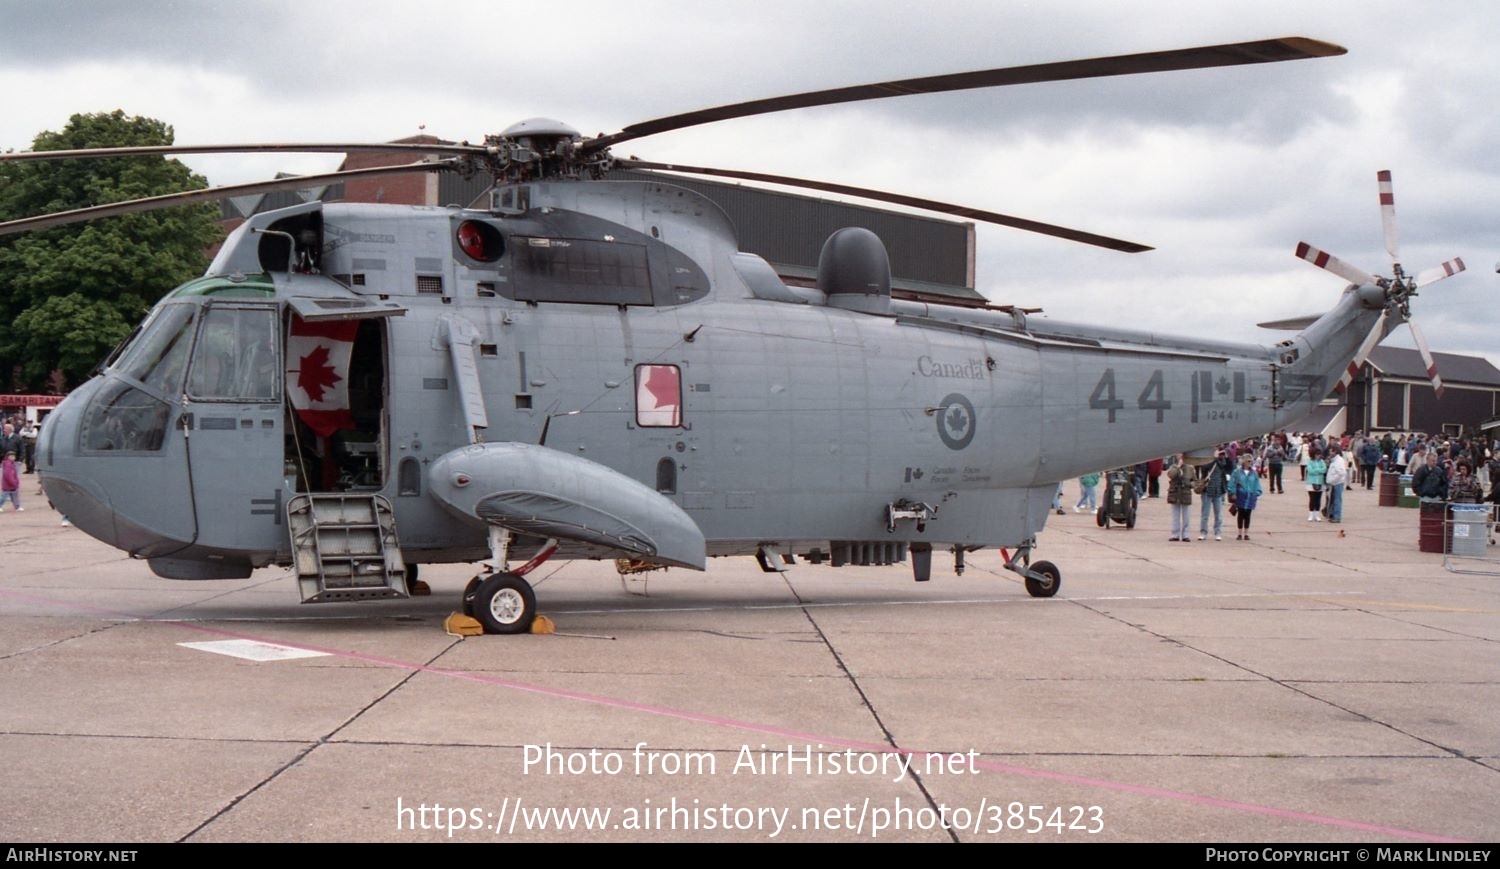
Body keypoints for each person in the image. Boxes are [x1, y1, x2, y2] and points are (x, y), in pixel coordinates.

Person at [1226, 453, 1263, 540]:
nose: (1250, 463)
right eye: (1248, 461)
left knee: (1248, 515)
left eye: (1251, 461)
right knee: (1241, 514)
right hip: (1240, 496)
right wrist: (1233, 492)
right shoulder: (1237, 472)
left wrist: (1257, 492)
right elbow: (1232, 483)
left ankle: (1246, 533)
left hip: (1250, 496)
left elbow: (1257, 483)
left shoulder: (1254, 473)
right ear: (1244, 461)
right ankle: (1239, 533)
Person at [1197, 448, 1232, 540]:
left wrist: (1227, 457)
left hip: (1218, 490)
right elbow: (1204, 469)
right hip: (1207, 490)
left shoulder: (1222, 461)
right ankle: (1203, 532)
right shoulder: (1206, 460)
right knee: (1205, 513)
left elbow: (1229, 467)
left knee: (1218, 514)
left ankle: (1218, 532)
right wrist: (1214, 458)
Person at [1166, 453, 1194, 541]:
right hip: (1175, 493)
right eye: (1178, 455)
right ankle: (1175, 534)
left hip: (1185, 493)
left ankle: (1186, 534)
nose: (1180, 457)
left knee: (1186, 516)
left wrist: (1190, 484)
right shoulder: (1173, 467)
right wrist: (1178, 466)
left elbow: (1194, 481)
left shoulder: (1190, 467)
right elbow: (1170, 475)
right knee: (1175, 515)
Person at [1325, 446, 1349, 523]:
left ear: (1335, 452)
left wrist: (1332, 480)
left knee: (1337, 500)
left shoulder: (1338, 461)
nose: (1330, 453)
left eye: (1331, 451)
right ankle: (1332, 514)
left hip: (1337, 483)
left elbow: (1341, 473)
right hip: (1334, 483)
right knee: (1332, 500)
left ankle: (1337, 517)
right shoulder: (1334, 460)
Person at [1305, 447, 1328, 522]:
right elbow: (1310, 471)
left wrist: (1317, 470)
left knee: (1318, 499)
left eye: (1319, 454)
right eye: (1317, 454)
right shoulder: (1310, 461)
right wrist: (1319, 470)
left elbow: (1324, 469)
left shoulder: (1322, 461)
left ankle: (1317, 515)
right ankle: (1311, 515)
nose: (1319, 456)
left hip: (1320, 482)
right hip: (1311, 482)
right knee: (1312, 499)